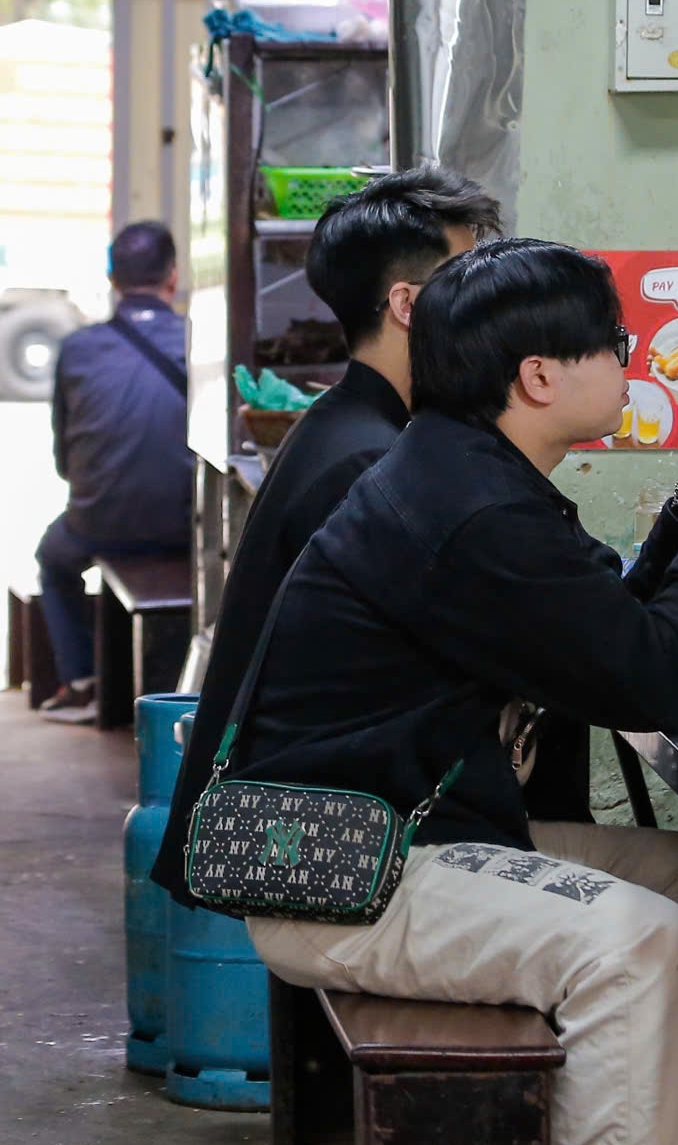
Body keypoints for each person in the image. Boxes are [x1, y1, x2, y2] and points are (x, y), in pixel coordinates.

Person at [210, 239, 678, 1145]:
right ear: (538, 375)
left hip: (421, 832)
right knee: (636, 943)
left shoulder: (470, 472)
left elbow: (602, 639)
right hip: (346, 867)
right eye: (614, 342)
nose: (630, 359)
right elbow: (652, 680)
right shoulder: (469, 508)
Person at [152, 166, 502, 907]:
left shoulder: (346, 422)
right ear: (408, 305)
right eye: (468, 282)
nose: (491, 309)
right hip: (319, 841)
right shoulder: (367, 459)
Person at [32, 221, 191, 724]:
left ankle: (81, 685)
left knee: (53, 561)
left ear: (112, 278)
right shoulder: (197, 339)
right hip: (185, 525)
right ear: (173, 275)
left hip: (99, 520)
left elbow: (63, 453)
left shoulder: (78, 349)